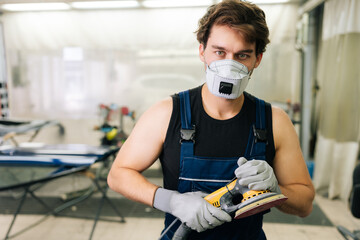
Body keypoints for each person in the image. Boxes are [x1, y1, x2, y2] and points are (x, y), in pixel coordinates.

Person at [107, 0, 315, 239]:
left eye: (242, 55)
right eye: (219, 52)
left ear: (257, 59)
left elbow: (305, 204)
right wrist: (172, 201)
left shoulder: (274, 121)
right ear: (201, 51)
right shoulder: (166, 113)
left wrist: (275, 190)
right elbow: (118, 175)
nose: (229, 65)